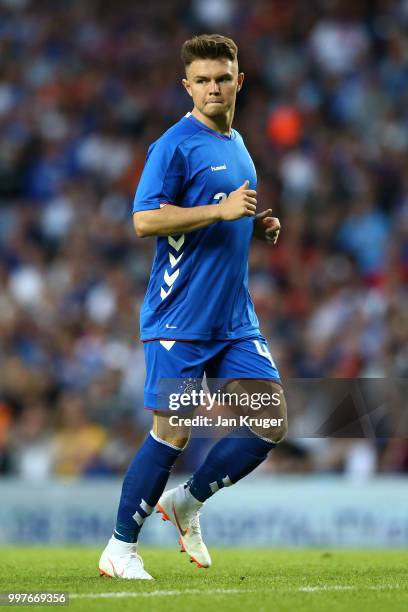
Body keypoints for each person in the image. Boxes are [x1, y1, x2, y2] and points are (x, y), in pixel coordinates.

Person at [99, 33, 287, 580]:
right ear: (187, 86)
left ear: (239, 81)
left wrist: (255, 222)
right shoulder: (173, 145)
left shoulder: (239, 143)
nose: (213, 88)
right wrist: (222, 211)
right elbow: (144, 220)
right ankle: (120, 547)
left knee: (268, 423)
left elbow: (228, 212)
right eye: (202, 80)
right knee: (173, 431)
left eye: (222, 78)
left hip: (233, 319)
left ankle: (188, 501)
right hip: (179, 317)